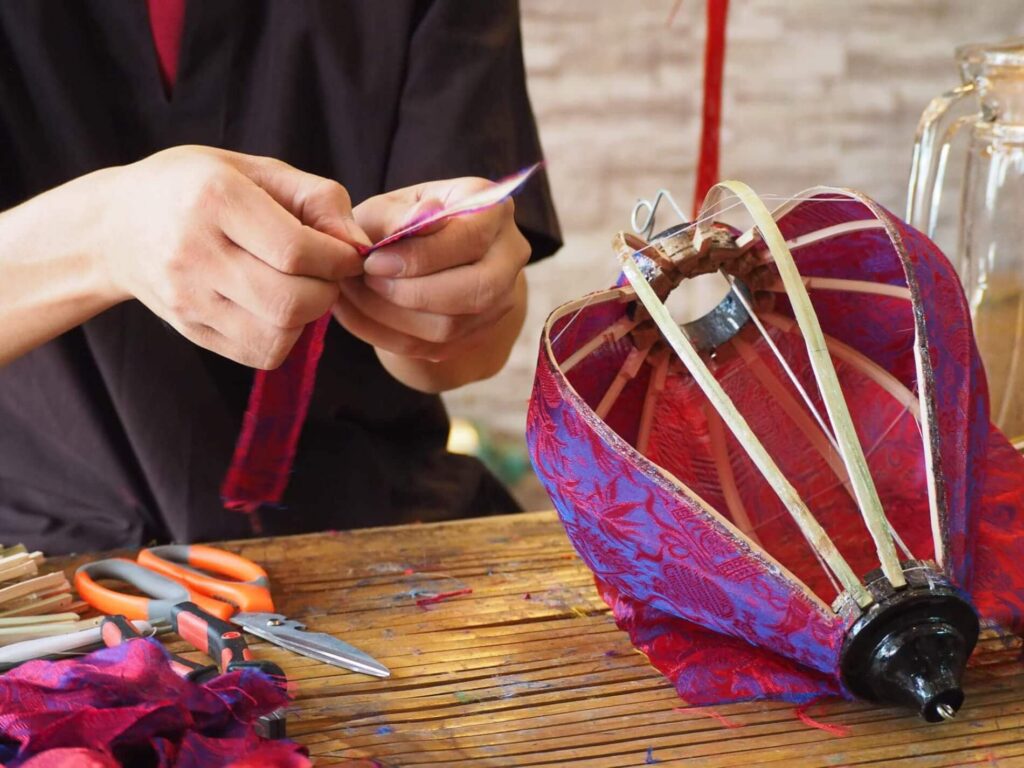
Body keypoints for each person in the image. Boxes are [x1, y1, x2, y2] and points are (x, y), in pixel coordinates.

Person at [0, 1, 561, 553]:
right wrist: (107, 232)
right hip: (41, 563)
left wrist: (450, 300)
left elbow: (469, 350)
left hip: (371, 532)